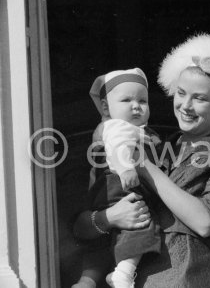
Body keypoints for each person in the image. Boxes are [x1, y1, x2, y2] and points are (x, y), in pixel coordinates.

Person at [74, 32, 210, 287]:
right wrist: (110, 217)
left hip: (182, 278)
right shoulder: (156, 142)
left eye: (200, 98)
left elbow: (206, 222)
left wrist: (143, 166)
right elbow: (81, 227)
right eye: (181, 93)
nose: (186, 105)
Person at [73, 67, 162, 288]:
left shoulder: (129, 129)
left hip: (106, 195)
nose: (136, 105)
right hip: (120, 188)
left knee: (102, 243)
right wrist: (126, 169)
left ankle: (87, 280)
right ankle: (123, 273)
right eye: (126, 100)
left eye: (143, 100)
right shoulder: (117, 127)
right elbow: (118, 146)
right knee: (142, 225)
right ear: (106, 107)